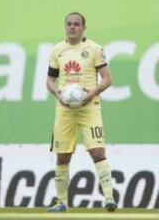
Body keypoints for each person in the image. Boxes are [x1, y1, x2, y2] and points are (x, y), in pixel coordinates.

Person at [46, 12, 117, 212]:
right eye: (69, 24)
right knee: (62, 155)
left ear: (83, 27)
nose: (72, 27)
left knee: (97, 151)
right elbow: (50, 81)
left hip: (89, 107)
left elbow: (107, 79)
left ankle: (109, 198)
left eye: (76, 24)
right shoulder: (57, 50)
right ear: (65, 26)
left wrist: (92, 93)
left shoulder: (94, 49)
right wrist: (57, 93)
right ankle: (61, 202)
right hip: (64, 109)